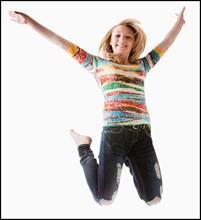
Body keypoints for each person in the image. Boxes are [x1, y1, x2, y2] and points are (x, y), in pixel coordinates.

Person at [9, 6, 185, 206]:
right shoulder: (97, 64)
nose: (122, 40)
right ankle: (83, 146)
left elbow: (168, 41)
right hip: (114, 135)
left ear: (134, 42)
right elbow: (59, 42)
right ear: (110, 40)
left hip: (142, 135)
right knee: (104, 199)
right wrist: (29, 21)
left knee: (154, 199)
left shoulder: (143, 65)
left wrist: (181, 20)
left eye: (128, 37)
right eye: (117, 35)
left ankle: (128, 158)